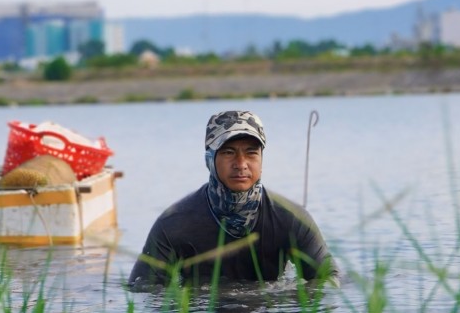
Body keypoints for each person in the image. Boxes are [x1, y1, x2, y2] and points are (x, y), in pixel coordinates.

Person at [127, 109, 338, 290]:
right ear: (209, 159)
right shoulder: (174, 223)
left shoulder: (292, 219)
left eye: (251, 153)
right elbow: (144, 289)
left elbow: (330, 279)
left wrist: (289, 302)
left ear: (261, 159)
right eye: (229, 152)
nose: (241, 163)